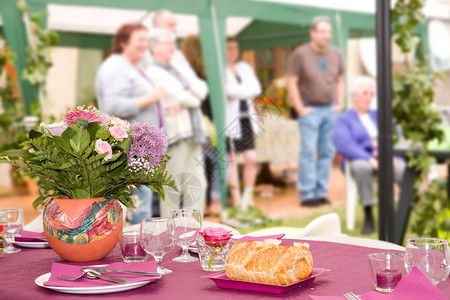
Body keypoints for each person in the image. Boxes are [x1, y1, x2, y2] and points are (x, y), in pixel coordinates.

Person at [95, 23, 166, 224]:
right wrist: (151, 97)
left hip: (140, 150)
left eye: (147, 39)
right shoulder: (115, 66)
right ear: (124, 42)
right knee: (135, 207)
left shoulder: (133, 66)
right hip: (127, 149)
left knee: (141, 204)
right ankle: (134, 248)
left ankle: (139, 245)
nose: (145, 44)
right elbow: (112, 104)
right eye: (140, 39)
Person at [146, 28, 207, 218]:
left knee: (197, 185)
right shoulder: (153, 71)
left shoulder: (178, 67)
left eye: (173, 43)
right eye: (166, 44)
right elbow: (192, 99)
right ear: (154, 47)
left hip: (193, 132)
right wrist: (188, 95)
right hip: (175, 134)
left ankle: (193, 231)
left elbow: (202, 89)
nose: (171, 48)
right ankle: (168, 233)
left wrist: (187, 96)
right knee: (172, 186)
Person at [332, 76, 405, 234]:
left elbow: (397, 134)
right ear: (354, 96)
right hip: (359, 159)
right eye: (365, 93)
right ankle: (368, 215)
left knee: (403, 168)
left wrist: (395, 155)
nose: (369, 97)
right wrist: (368, 159)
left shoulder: (379, 115)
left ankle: (402, 213)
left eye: (371, 94)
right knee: (362, 167)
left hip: (385, 158)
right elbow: (343, 143)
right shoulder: (344, 119)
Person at [287, 16, 345, 207]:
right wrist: (300, 108)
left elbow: (339, 80)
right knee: (308, 152)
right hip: (309, 109)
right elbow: (291, 81)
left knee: (327, 152)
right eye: (322, 31)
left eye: (329, 32)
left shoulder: (336, 53)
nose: (326, 35)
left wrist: (340, 103)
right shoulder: (300, 54)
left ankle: (321, 193)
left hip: (330, 109)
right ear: (312, 33)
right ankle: (307, 194)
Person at [181, 34, 222, 216]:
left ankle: (194, 205)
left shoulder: (182, 73)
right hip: (204, 125)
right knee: (217, 159)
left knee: (192, 165)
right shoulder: (206, 74)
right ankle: (215, 201)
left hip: (186, 127)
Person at [225, 37, 262, 209]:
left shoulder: (244, 68)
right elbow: (228, 92)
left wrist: (239, 91)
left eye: (235, 48)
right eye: (229, 48)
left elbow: (256, 88)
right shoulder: (219, 69)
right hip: (230, 120)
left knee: (251, 158)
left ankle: (248, 196)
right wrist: (244, 91)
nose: (233, 51)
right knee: (231, 160)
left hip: (246, 118)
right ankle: (237, 198)